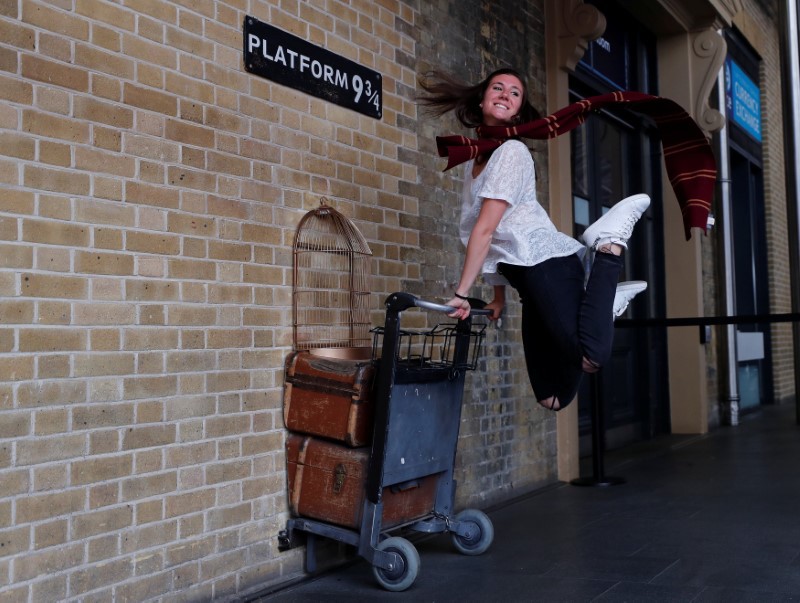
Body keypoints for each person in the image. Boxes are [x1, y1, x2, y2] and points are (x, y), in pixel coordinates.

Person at [419, 67, 648, 411]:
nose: (505, 95)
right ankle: (601, 306)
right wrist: (498, 297)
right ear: (482, 99)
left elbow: (484, 230)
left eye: (514, 93)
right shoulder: (474, 161)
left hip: (548, 266)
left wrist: (462, 295)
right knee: (552, 397)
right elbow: (489, 240)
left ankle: (609, 246)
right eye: (497, 88)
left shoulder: (512, 152)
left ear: (518, 111)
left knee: (591, 356)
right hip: (527, 279)